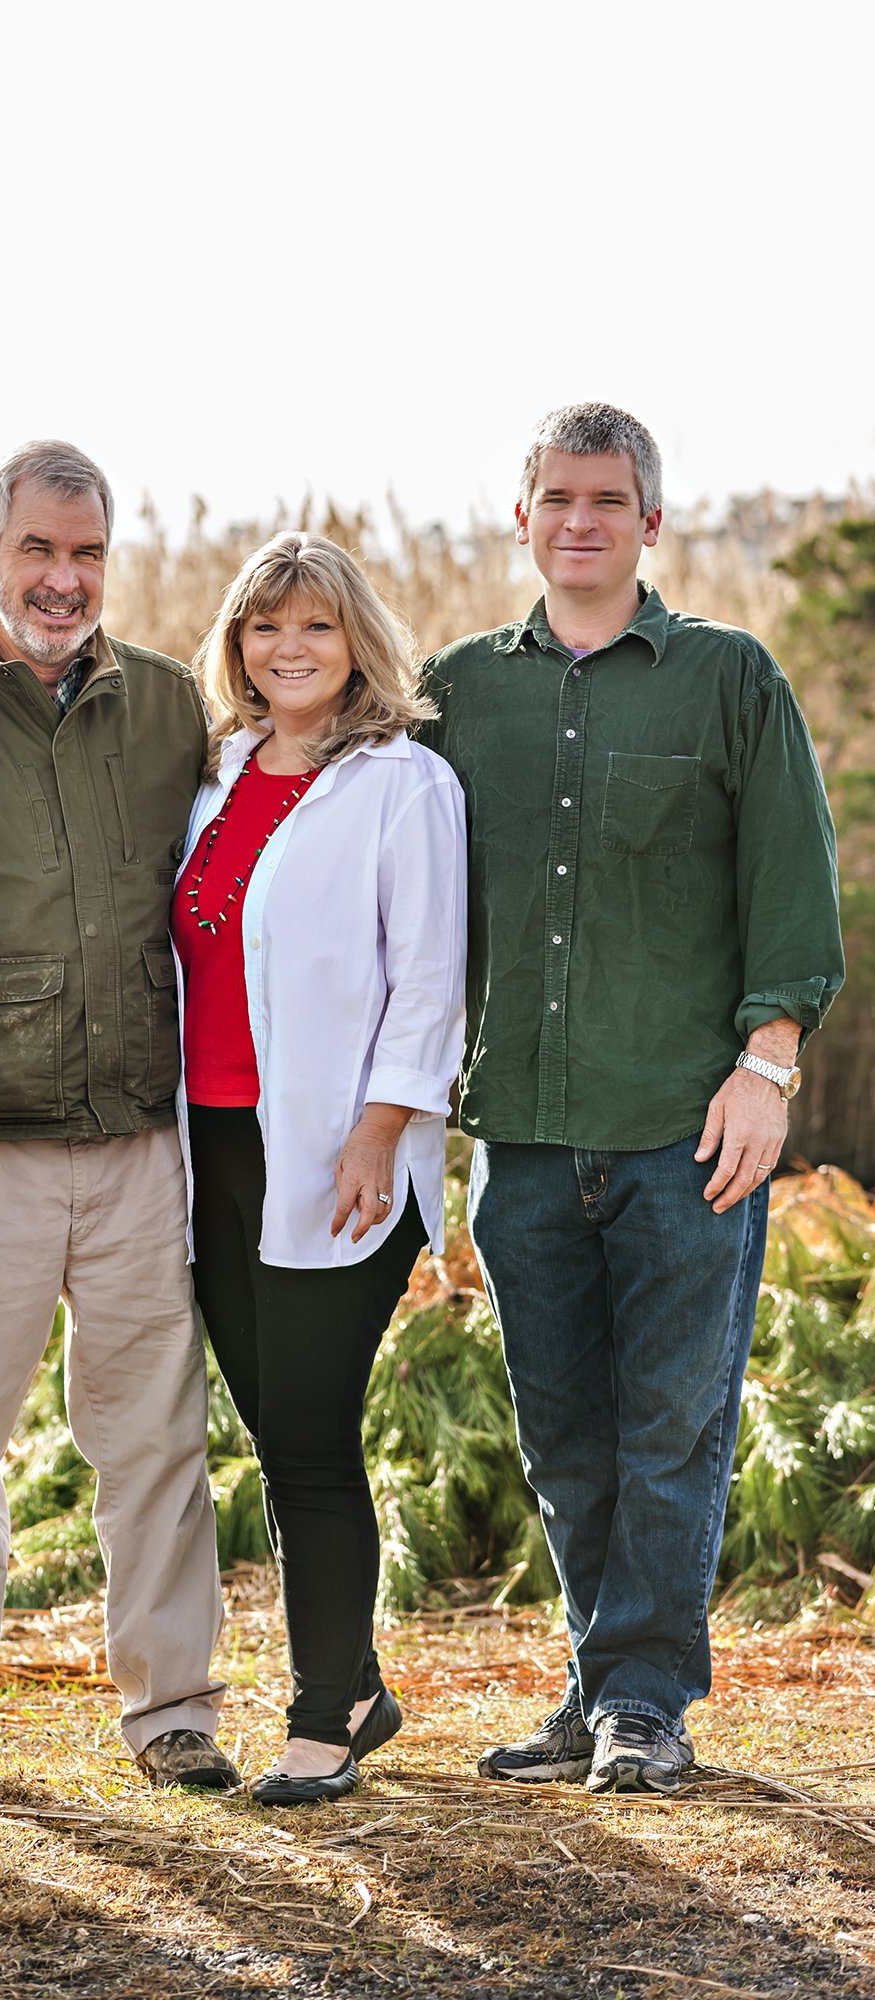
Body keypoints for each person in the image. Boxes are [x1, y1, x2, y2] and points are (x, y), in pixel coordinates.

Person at [425, 403, 844, 1795]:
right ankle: (594, 1686)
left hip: (684, 1131)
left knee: (671, 1425)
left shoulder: (725, 680)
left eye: (607, 499)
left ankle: (646, 1698)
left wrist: (765, 1066)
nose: (579, 520)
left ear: (648, 523)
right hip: (526, 1143)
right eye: (554, 497)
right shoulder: (453, 693)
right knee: (562, 1435)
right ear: (521, 516)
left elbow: (790, 890)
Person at [0, 441, 236, 1796]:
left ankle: (171, 1713)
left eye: (85, 554)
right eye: (37, 550)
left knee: (153, 1441)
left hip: (138, 1140)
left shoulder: (167, 708)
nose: (62, 578)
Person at [175, 532, 467, 1805]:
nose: (285, 649)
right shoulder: (217, 772)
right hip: (214, 1147)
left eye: (314, 628)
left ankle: (318, 1720)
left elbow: (431, 976)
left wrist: (377, 1132)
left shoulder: (403, 782)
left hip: (340, 1153)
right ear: (235, 644)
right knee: (274, 1423)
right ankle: (353, 1677)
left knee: (305, 1432)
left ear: (358, 644)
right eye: (261, 627)